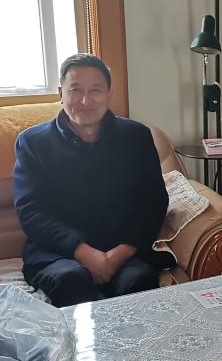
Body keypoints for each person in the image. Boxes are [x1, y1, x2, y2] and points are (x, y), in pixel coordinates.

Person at [13, 53, 171, 307]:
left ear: (109, 94)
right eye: (75, 90)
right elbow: (31, 211)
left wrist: (117, 256)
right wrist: (85, 254)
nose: (85, 101)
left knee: (138, 281)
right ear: (61, 94)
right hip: (59, 254)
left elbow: (153, 202)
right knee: (72, 280)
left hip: (123, 251)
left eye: (95, 90)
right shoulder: (33, 143)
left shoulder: (136, 137)